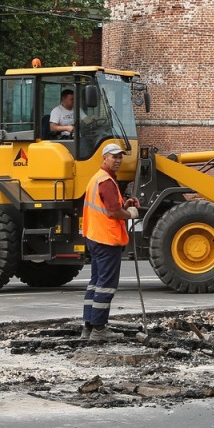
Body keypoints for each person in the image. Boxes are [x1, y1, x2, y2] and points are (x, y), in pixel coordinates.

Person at [80, 143, 140, 341]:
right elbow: (114, 212)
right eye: (114, 157)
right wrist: (129, 213)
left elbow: (108, 206)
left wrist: (125, 204)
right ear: (104, 158)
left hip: (95, 237)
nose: (118, 160)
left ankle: (88, 327)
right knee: (106, 285)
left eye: (120, 157)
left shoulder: (98, 179)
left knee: (95, 283)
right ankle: (99, 329)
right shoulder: (106, 181)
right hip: (107, 239)